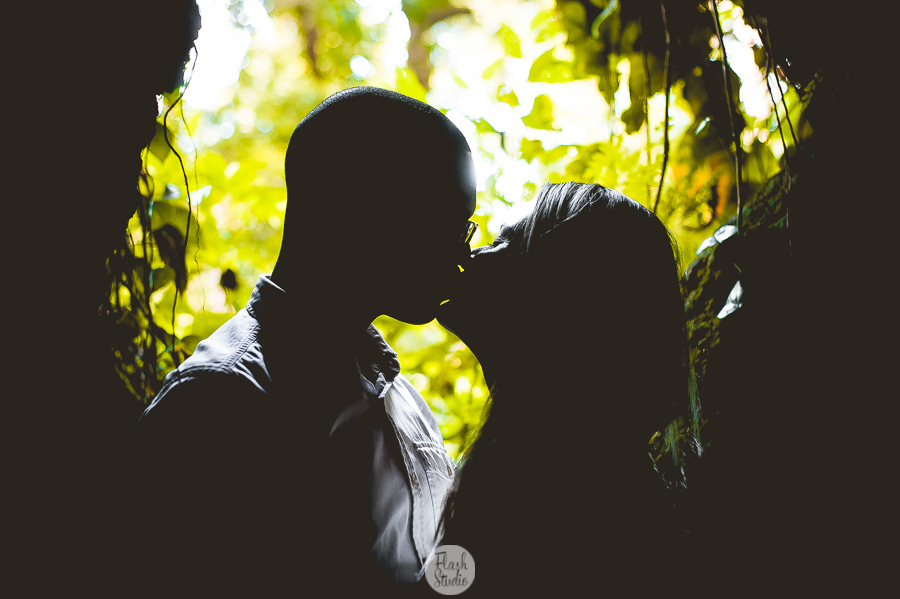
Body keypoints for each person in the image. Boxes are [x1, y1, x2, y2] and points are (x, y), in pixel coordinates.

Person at [136, 87, 476, 596]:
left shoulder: (401, 399)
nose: (463, 255)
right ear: (360, 209)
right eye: (447, 224)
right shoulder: (217, 406)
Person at [437, 182, 694, 596]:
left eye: (505, 242)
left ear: (560, 289)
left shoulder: (558, 499)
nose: (473, 254)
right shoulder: (586, 474)